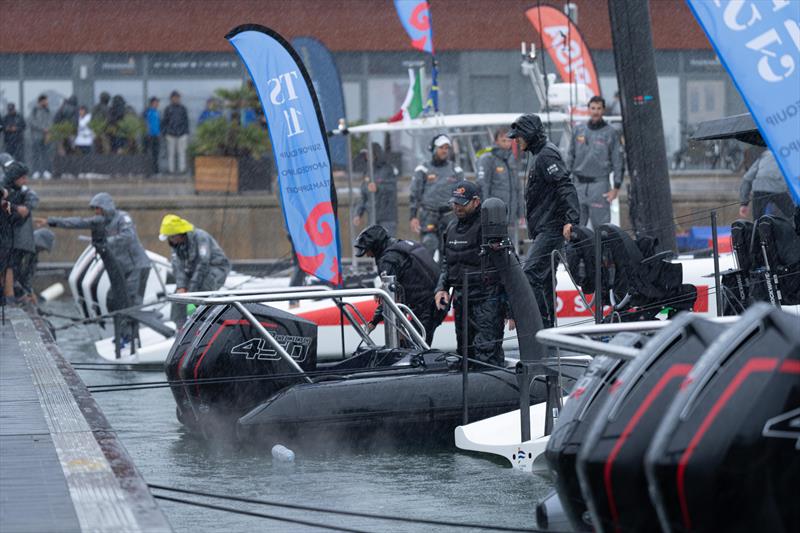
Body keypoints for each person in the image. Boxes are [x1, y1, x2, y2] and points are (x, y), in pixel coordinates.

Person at [509, 114, 579, 328]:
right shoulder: (539, 153)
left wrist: (571, 219)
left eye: (518, 136)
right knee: (546, 279)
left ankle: (539, 326)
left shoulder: (546, 154)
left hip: (551, 228)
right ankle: (549, 331)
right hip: (544, 228)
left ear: (529, 134)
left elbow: (564, 185)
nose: (516, 140)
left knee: (530, 273)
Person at [434, 181, 506, 367]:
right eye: (454, 203)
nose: (457, 207)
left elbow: (507, 267)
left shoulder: (489, 227)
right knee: (465, 353)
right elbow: (447, 262)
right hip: (461, 299)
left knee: (487, 354)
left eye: (461, 203)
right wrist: (442, 288)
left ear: (475, 202)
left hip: (487, 300)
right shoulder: (450, 228)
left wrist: (511, 310)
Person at [44, 193, 151, 309]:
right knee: (113, 299)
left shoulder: (123, 218)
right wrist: (52, 221)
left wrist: (106, 241)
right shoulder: (100, 221)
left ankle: (132, 320)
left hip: (137, 267)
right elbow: (78, 222)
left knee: (131, 300)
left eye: (98, 208)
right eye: (94, 209)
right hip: (122, 268)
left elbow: (128, 236)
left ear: (106, 208)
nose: (96, 211)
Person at [354, 225, 442, 344]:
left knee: (412, 350)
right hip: (435, 298)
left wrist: (374, 321)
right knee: (414, 346)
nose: (368, 255)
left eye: (368, 250)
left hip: (426, 306)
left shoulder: (388, 259)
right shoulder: (402, 245)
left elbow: (390, 298)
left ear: (375, 246)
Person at [158, 214, 231, 327]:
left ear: (179, 234)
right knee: (178, 296)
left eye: (171, 237)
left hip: (215, 269)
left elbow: (203, 264)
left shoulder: (201, 237)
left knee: (203, 290)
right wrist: (182, 287)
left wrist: (191, 291)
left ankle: (204, 325)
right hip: (194, 272)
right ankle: (180, 327)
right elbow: (178, 267)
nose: (170, 240)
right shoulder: (176, 246)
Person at [568, 95, 624, 229]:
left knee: (602, 230)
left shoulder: (611, 133)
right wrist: (566, 182)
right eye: (593, 108)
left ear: (603, 110)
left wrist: (616, 187)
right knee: (576, 229)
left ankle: (603, 251)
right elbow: (570, 156)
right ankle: (577, 251)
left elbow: (618, 161)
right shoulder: (578, 130)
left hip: (600, 186)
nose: (596, 111)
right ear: (588, 109)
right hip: (578, 185)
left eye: (599, 108)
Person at [409, 134, 465, 257]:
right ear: (433, 148)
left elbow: (463, 194)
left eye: (447, 148)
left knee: (448, 250)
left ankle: (444, 276)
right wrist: (413, 216)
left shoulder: (456, 170)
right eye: (441, 147)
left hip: (449, 216)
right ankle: (427, 275)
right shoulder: (423, 169)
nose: (444, 151)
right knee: (429, 245)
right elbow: (415, 193)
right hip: (429, 216)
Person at [476, 127, 525, 245]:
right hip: (494, 215)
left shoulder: (511, 159)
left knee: (511, 246)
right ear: (496, 141)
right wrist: (484, 210)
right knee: (494, 245)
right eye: (503, 140)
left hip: (511, 214)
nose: (507, 143)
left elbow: (517, 188)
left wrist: (521, 212)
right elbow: (483, 186)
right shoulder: (487, 159)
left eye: (509, 140)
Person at [3, 161, 39, 302]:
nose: (25, 181)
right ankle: (9, 296)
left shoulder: (19, 192)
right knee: (8, 265)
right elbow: (5, 207)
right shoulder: (8, 190)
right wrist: (17, 209)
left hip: (8, 234)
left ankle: (11, 295)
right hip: (5, 234)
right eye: (23, 178)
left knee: (10, 264)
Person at [353, 143, 399, 236]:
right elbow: (364, 196)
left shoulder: (388, 169)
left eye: (369, 154)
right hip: (372, 218)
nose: (367, 157)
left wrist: (378, 187)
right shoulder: (368, 172)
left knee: (387, 245)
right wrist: (358, 213)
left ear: (375, 154)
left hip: (387, 218)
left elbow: (392, 188)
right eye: (366, 155)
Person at [739, 149, 794, 220]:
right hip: (779, 188)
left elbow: (747, 178)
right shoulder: (792, 154)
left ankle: (758, 227)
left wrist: (744, 203)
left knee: (758, 220)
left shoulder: (766, 154)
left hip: (760, 188)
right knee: (794, 215)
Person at [13, 228, 55, 302]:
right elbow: (10, 274)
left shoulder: (33, 255)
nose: (41, 251)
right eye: (41, 248)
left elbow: (27, 277)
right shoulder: (18, 250)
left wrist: (30, 293)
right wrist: (21, 293)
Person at [163, 91, 189, 174]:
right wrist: (165, 132)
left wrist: (186, 132)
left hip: (182, 134)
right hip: (171, 134)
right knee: (171, 153)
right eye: (174, 97)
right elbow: (165, 121)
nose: (176, 99)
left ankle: (182, 169)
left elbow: (186, 121)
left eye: (177, 97)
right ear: (171, 99)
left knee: (182, 153)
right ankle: (171, 170)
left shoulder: (183, 108)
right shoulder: (168, 109)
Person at [29, 94, 54, 179]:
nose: (47, 102)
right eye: (46, 100)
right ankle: (36, 172)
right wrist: (43, 128)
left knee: (45, 154)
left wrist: (49, 130)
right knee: (36, 154)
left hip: (46, 137)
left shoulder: (48, 110)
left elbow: (51, 121)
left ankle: (46, 171)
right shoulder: (35, 110)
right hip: (36, 137)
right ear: (41, 101)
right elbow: (32, 122)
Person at [143, 97, 161, 176]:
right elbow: (144, 123)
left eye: (157, 103)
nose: (157, 104)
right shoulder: (147, 112)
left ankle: (155, 170)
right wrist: (147, 132)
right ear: (151, 103)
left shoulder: (157, 112)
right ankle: (148, 170)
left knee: (156, 154)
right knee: (149, 153)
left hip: (156, 135)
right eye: (155, 103)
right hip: (149, 136)